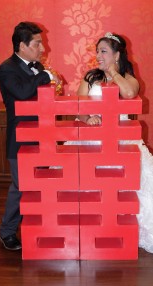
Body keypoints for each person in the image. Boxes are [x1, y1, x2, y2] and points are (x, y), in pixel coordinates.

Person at [66, 32, 153, 254]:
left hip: (120, 137)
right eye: (97, 51)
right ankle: (91, 226)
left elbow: (130, 92)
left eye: (103, 51)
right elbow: (78, 107)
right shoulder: (90, 77)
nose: (98, 56)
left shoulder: (128, 77)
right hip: (92, 136)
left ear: (117, 55)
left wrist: (113, 72)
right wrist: (88, 118)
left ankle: (120, 225)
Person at [0, 21, 58, 250]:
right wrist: (44, 76)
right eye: (37, 43)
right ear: (22, 45)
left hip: (40, 135)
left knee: (39, 184)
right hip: (19, 137)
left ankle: (36, 226)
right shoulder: (7, 68)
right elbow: (22, 93)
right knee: (21, 185)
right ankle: (7, 232)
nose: (42, 48)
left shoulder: (35, 66)